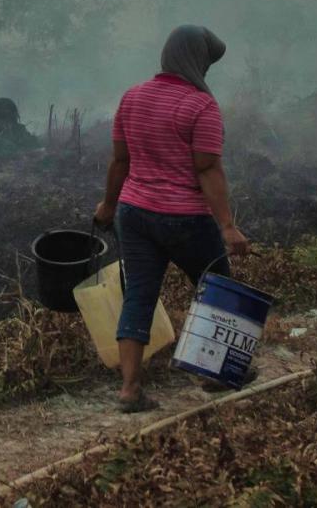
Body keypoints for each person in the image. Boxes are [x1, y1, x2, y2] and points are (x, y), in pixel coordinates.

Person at [93, 23, 250, 412]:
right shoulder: (201, 106)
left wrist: (108, 205)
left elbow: (120, 160)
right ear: (196, 61)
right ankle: (215, 374)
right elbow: (207, 168)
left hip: (134, 214)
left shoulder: (132, 97)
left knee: (139, 296)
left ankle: (130, 390)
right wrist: (227, 226)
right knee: (217, 289)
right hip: (185, 219)